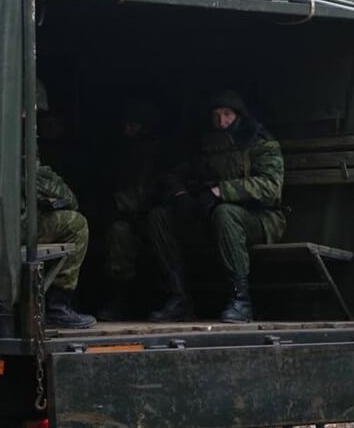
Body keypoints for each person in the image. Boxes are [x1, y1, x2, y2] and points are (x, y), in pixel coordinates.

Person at [148, 90, 285, 323]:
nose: (221, 121)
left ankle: (241, 301)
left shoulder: (259, 142)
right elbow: (175, 173)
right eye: (216, 115)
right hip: (209, 217)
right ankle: (178, 298)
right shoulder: (203, 144)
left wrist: (221, 192)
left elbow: (270, 187)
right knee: (159, 216)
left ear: (239, 115)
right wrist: (181, 195)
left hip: (261, 219)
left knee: (225, 213)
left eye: (227, 114)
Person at [35, 81, 95, 329]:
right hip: (15, 224)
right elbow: (49, 185)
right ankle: (57, 306)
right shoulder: (18, 137)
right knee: (76, 223)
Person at [98, 98, 164, 321]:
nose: (128, 129)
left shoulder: (159, 153)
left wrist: (121, 205)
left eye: (133, 125)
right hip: (130, 218)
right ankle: (119, 299)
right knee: (119, 232)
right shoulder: (123, 154)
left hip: (157, 218)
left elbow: (157, 190)